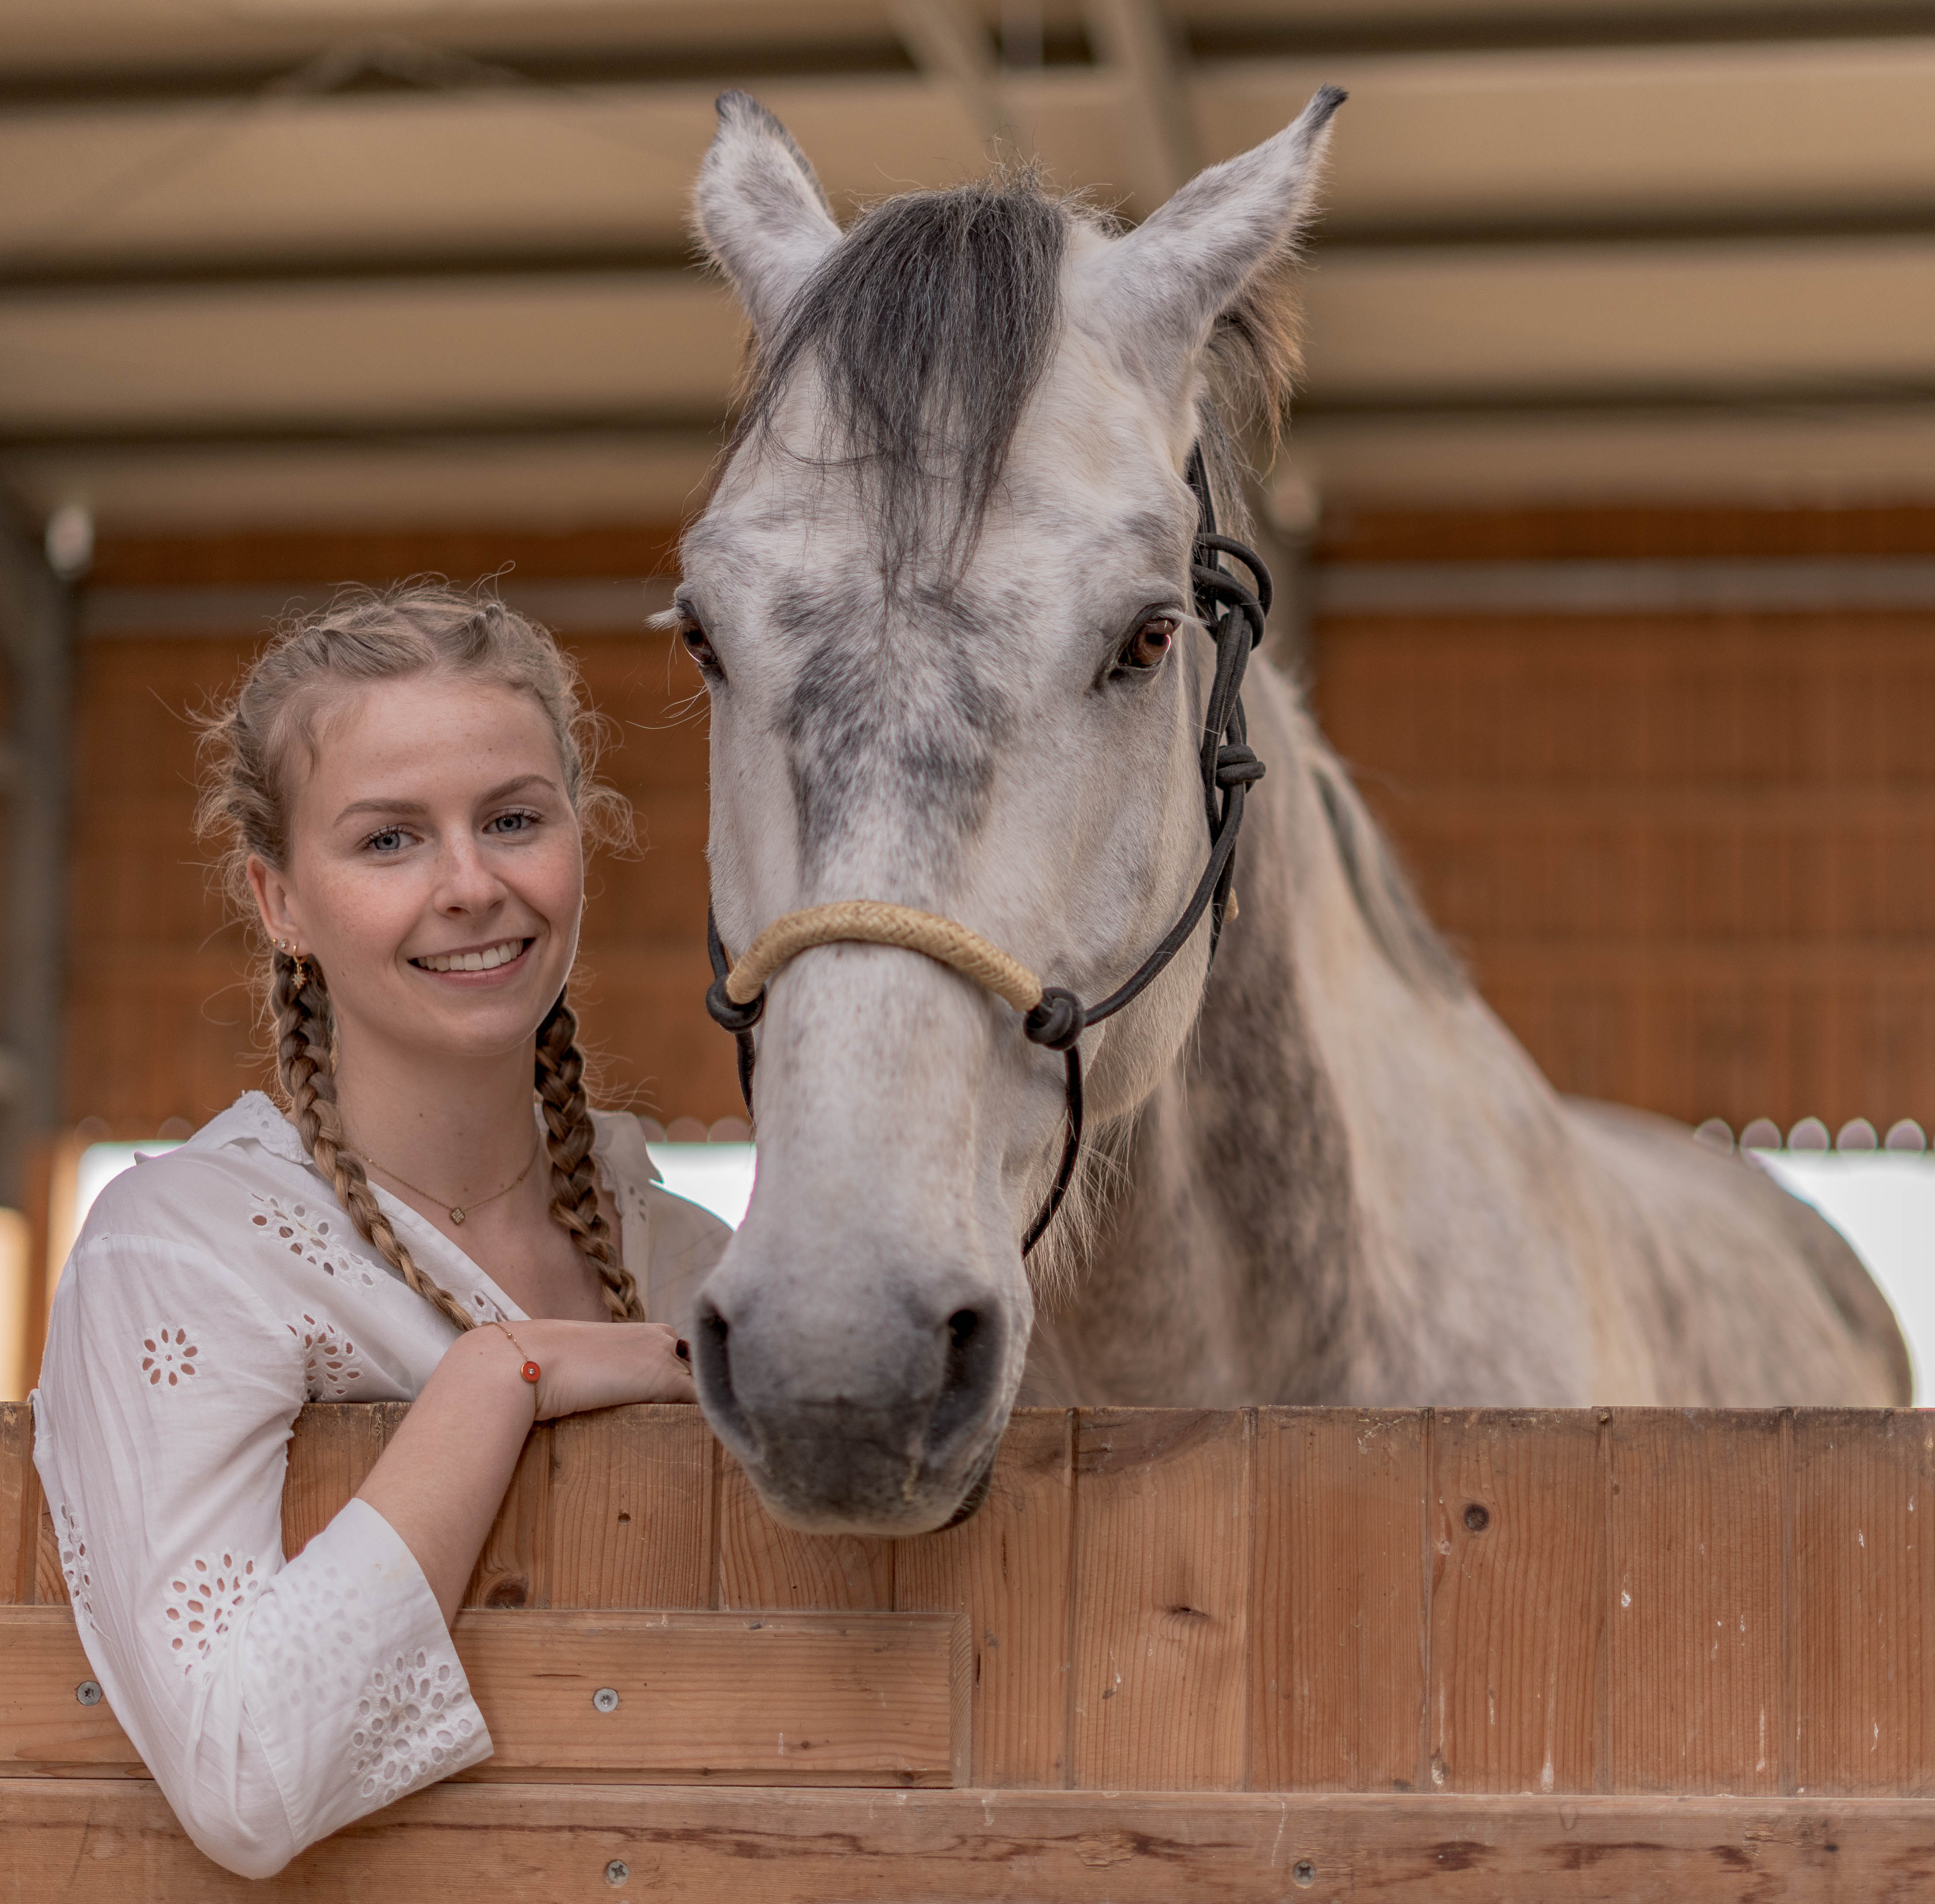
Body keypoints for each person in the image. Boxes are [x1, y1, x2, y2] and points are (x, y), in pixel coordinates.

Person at [31, 585, 728, 1878]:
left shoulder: (690, 1261)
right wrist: (504, 1372)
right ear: (280, 900)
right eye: (390, 841)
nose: (473, 884)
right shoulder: (180, 1251)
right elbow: (245, 1780)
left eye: (514, 820)